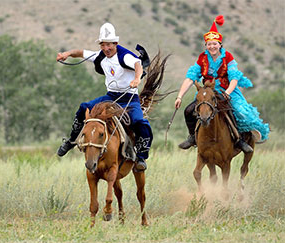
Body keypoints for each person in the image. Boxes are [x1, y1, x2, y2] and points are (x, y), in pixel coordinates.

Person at [56, 22, 153, 171]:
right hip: (111, 97)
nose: (106, 48)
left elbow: (137, 65)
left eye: (109, 45)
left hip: (129, 99)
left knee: (140, 122)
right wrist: (67, 54)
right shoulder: (100, 56)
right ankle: (71, 140)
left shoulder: (124, 56)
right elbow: (81, 52)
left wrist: (137, 79)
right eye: (103, 45)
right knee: (83, 107)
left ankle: (141, 157)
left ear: (115, 43)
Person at [174, 15, 269, 152]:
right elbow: (190, 78)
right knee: (189, 111)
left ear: (220, 45)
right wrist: (179, 96)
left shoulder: (228, 57)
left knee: (239, 111)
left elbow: (234, 79)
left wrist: (227, 93)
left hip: (226, 90)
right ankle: (192, 137)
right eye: (209, 44)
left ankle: (240, 140)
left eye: (214, 44)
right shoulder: (202, 58)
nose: (212, 46)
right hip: (208, 92)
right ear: (206, 45)